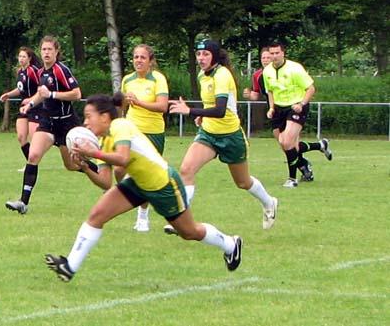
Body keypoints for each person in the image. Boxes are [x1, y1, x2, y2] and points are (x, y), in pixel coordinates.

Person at [44, 93, 243, 282]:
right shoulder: (103, 141)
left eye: (89, 116)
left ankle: (230, 244)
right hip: (138, 183)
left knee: (189, 232)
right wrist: (85, 166)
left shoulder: (120, 126)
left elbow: (122, 158)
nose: (85, 122)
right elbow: (105, 182)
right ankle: (70, 266)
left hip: (163, 184)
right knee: (97, 214)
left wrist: (93, 154)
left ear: (104, 117)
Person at [168, 39, 278, 230]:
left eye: (205, 54)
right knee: (186, 170)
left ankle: (269, 202)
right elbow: (211, 105)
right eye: (198, 54)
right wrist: (202, 117)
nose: (201, 58)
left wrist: (191, 112)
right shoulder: (203, 75)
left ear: (215, 56)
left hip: (230, 136)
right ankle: (182, 221)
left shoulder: (222, 75)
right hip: (209, 134)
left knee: (243, 182)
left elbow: (220, 111)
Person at [5, 35, 84, 214]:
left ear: (57, 51)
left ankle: (99, 174)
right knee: (33, 156)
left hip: (66, 124)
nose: (46, 52)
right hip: (47, 122)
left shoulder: (61, 70)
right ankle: (23, 203)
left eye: (50, 49)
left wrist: (53, 95)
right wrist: (30, 104)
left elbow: (77, 94)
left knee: (71, 165)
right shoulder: (41, 72)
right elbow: (42, 94)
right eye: (44, 49)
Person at [263, 41, 333, 188]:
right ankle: (320, 145)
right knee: (285, 145)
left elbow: (311, 88)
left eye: (277, 53)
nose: (274, 56)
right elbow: (270, 91)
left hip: (295, 108)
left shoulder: (295, 68)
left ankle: (292, 179)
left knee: (287, 141)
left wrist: (301, 104)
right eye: (272, 53)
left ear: (283, 53)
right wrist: (271, 108)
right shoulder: (267, 71)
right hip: (278, 109)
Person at [120, 44, 169, 232]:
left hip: (153, 133)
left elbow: (162, 106)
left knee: (146, 175)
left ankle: (143, 216)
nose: (138, 60)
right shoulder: (127, 80)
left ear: (150, 61)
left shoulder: (158, 79)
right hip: (132, 131)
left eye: (142, 57)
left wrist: (138, 102)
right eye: (135, 57)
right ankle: (121, 196)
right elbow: (123, 107)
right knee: (121, 167)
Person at [0, 47, 42, 170]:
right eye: (20, 56)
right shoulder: (20, 72)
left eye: (24, 56)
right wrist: (8, 94)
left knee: (34, 138)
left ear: (29, 58)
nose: (21, 59)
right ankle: (30, 163)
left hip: (36, 106)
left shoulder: (33, 71)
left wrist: (31, 99)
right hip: (24, 108)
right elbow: (20, 89)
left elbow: (41, 88)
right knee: (21, 137)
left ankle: (31, 164)